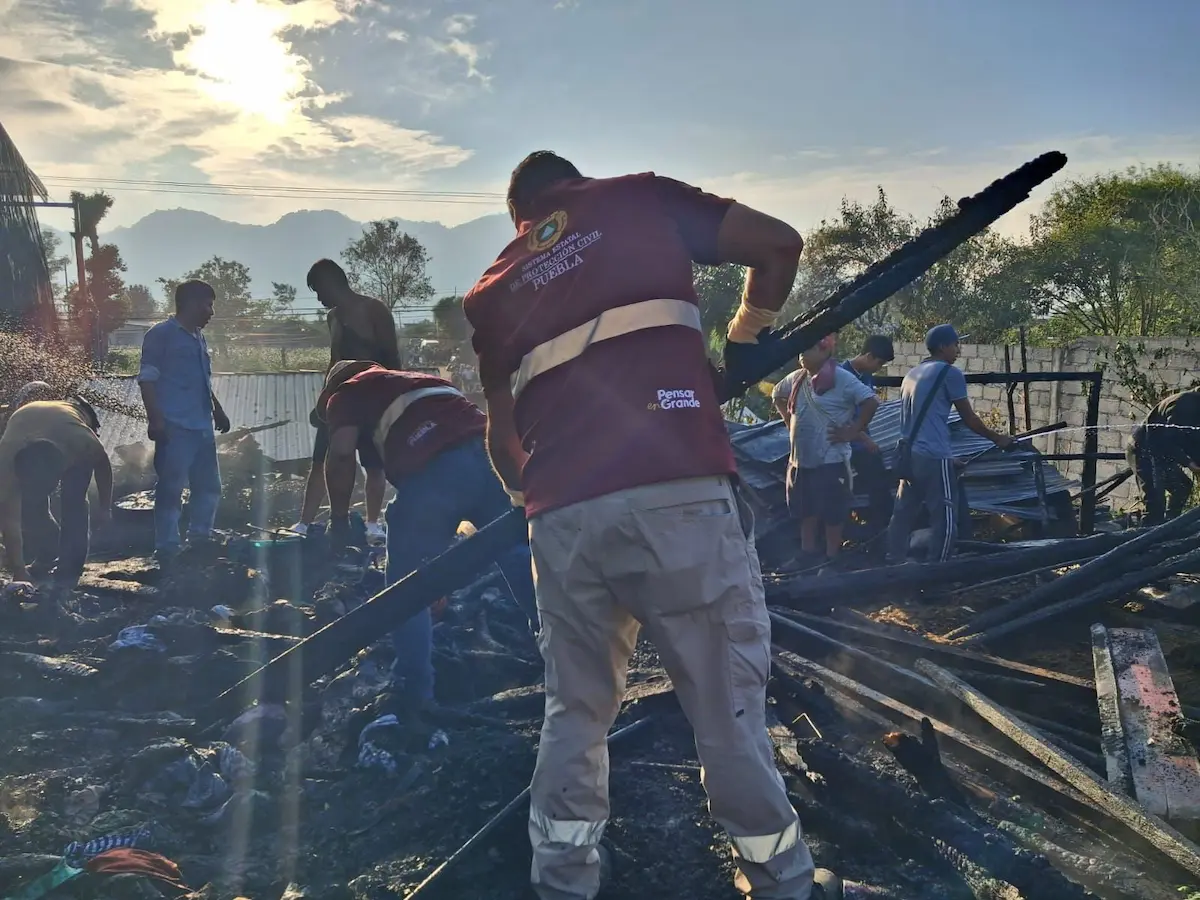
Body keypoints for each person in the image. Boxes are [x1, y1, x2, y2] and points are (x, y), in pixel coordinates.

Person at [464, 151, 844, 900]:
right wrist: (745, 333)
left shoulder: (494, 287)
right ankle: (782, 882)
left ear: (521, 216)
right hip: (676, 491)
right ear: (571, 184)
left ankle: (564, 882)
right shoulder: (639, 198)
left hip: (564, 517)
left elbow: (503, 448)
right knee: (725, 705)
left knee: (574, 712)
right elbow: (779, 245)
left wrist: (544, 497)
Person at [317, 360, 538, 719]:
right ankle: (566, 658)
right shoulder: (419, 382)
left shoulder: (346, 392)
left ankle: (414, 689)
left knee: (406, 586)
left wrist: (339, 521)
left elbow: (341, 453)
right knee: (520, 558)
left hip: (436, 468)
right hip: (489, 459)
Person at [886, 324, 1012, 564]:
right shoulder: (948, 373)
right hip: (933, 456)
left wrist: (949, 459)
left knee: (902, 512)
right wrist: (999, 438)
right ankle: (938, 569)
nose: (958, 350)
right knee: (944, 516)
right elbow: (969, 418)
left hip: (908, 455)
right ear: (943, 347)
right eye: (955, 344)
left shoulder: (912, 374)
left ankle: (894, 561)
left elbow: (918, 422)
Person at [293, 259, 398, 541]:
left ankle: (372, 523)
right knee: (325, 458)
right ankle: (306, 522)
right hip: (340, 397)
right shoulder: (333, 318)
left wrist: (392, 399)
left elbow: (392, 358)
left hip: (373, 396)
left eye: (318, 290)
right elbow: (335, 360)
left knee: (373, 464)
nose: (318, 298)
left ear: (332, 283)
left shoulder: (373, 310)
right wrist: (322, 400)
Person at [138, 280, 231, 564]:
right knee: (171, 488)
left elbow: (200, 379)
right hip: (175, 426)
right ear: (190, 303)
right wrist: (156, 420)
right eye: (207, 305)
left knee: (209, 486)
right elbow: (147, 379)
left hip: (201, 426)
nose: (211, 312)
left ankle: (199, 539)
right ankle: (167, 547)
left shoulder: (198, 337)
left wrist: (217, 409)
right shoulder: (161, 334)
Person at [773, 336, 878, 563]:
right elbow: (777, 395)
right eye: (801, 350)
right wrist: (788, 421)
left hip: (831, 460)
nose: (802, 354)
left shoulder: (842, 378)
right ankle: (807, 554)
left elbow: (871, 401)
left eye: (809, 348)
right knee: (805, 510)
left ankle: (832, 558)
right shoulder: (797, 378)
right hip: (800, 459)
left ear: (824, 352)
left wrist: (853, 431)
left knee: (833, 513)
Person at [0, 395, 112, 586]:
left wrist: (105, 508)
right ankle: (48, 550)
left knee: (74, 501)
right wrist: (18, 571)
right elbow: (9, 519)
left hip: (72, 418)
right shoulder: (6, 461)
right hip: (29, 418)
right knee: (30, 508)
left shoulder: (82, 443)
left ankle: (71, 568)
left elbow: (103, 467)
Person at [840, 335, 895, 535]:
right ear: (869, 356)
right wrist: (863, 438)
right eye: (879, 363)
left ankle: (880, 528)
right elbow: (839, 416)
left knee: (881, 479)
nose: (878, 368)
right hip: (845, 442)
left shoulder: (866, 376)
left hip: (861, 439)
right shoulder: (840, 375)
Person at [1127, 389, 1200, 526]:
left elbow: (1193, 440)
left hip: (1160, 451)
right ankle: (1146, 541)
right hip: (1144, 448)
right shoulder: (1186, 403)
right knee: (1154, 502)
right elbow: (1169, 438)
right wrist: (1188, 462)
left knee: (1182, 487)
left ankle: (1169, 526)